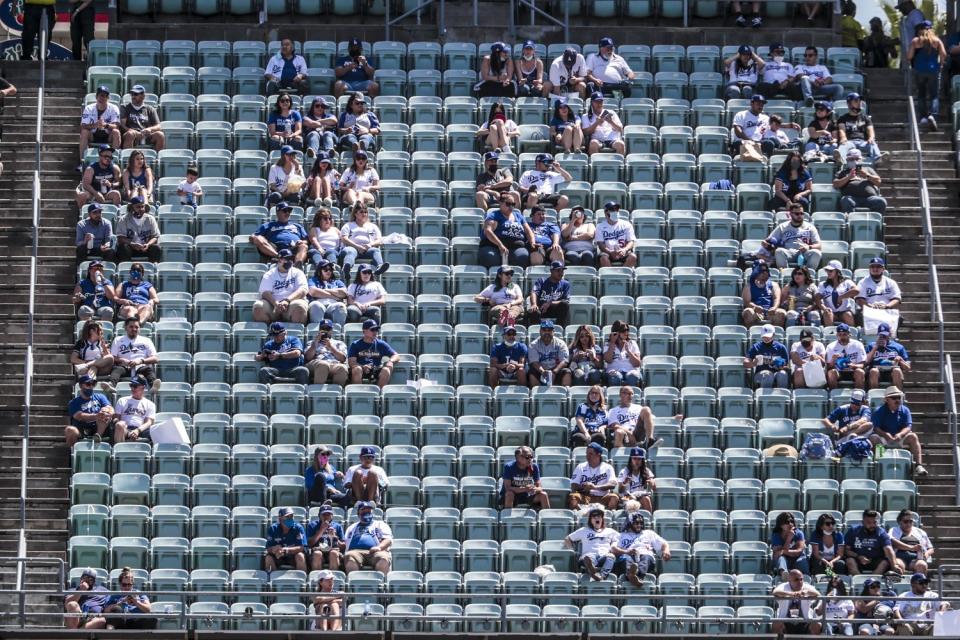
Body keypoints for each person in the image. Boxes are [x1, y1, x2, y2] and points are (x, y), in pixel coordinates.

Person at [871, 386, 927, 476]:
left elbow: (908, 427)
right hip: (884, 439)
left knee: (913, 437)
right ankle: (879, 464)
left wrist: (900, 434)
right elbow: (876, 428)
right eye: (894, 398)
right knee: (874, 439)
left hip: (899, 438)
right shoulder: (879, 411)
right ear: (887, 400)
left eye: (899, 397)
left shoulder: (905, 410)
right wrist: (885, 435)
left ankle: (918, 465)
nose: (897, 400)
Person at [478, 192, 535, 269]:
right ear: (501, 203)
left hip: (515, 246)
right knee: (490, 258)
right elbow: (488, 231)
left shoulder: (518, 216)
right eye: (508, 204)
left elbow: (528, 231)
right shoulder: (494, 215)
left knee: (522, 256)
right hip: (494, 245)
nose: (511, 207)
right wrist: (500, 245)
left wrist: (532, 242)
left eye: (513, 204)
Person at [104, 317, 160, 395]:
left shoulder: (146, 340)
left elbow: (156, 358)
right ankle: (111, 385)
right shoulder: (118, 340)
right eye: (131, 327)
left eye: (136, 327)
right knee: (117, 369)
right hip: (124, 367)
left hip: (140, 367)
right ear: (125, 327)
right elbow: (113, 357)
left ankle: (153, 386)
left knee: (148, 369)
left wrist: (141, 361)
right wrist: (122, 360)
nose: (134, 329)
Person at [253, 248, 309, 324]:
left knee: (299, 306)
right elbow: (265, 292)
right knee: (258, 306)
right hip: (273, 305)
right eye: (287, 259)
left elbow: (303, 290)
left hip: (292, 303)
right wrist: (275, 303)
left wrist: (287, 301)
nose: (290, 261)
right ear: (279, 260)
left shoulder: (298, 272)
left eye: (291, 258)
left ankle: (295, 332)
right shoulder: (270, 274)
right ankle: (270, 331)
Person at [564, 507, 620, 580]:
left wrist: (614, 544)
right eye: (594, 517)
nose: (597, 518)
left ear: (602, 519)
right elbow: (568, 538)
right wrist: (572, 550)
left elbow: (621, 539)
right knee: (587, 558)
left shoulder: (610, 531)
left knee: (611, 556)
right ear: (590, 520)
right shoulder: (584, 530)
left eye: (599, 516)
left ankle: (601, 575)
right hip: (589, 556)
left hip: (603, 557)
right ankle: (592, 569)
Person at [909, 21, 947, 130]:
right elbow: (943, 55)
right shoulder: (937, 41)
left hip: (919, 71)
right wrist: (940, 65)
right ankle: (932, 115)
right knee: (934, 95)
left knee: (921, 95)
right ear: (931, 29)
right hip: (933, 71)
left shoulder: (916, 41)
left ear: (920, 29)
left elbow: (909, 56)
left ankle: (923, 118)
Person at [614, 513, 669, 587]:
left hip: (645, 555)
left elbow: (663, 543)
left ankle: (637, 576)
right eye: (636, 523)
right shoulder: (621, 535)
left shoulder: (648, 533)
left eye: (641, 523)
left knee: (646, 557)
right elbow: (613, 549)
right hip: (628, 555)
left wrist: (666, 551)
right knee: (626, 559)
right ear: (630, 523)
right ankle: (631, 574)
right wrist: (626, 552)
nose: (639, 525)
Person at [606, 385, 668, 450]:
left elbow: (651, 419)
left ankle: (650, 441)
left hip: (638, 433)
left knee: (646, 409)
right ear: (620, 395)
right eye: (626, 393)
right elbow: (615, 426)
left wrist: (673, 418)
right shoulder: (613, 410)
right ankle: (619, 457)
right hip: (624, 435)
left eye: (631, 394)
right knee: (618, 432)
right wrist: (629, 433)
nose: (630, 396)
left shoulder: (638, 408)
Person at [764, 203, 823, 271]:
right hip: (789, 252)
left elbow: (819, 245)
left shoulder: (810, 227)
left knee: (816, 253)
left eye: (802, 213)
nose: (800, 216)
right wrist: (766, 243)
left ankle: (808, 274)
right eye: (797, 214)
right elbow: (769, 240)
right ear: (791, 214)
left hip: (804, 253)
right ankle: (785, 274)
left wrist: (809, 247)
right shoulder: (783, 226)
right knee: (779, 251)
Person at [340, 203, 388, 279]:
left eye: (365, 212)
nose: (364, 214)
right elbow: (344, 239)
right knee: (350, 251)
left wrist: (370, 245)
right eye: (361, 212)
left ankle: (380, 266)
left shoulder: (373, 226)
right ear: (355, 213)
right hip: (352, 247)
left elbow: (379, 240)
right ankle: (346, 267)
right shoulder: (348, 225)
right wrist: (357, 247)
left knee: (375, 250)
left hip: (367, 248)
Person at [342, 501, 393, 574]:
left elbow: (388, 540)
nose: (366, 511)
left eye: (368, 510)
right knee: (349, 556)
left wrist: (379, 547)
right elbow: (345, 543)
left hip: (376, 552)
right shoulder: (351, 527)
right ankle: (354, 583)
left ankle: (380, 583)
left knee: (383, 558)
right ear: (358, 513)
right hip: (356, 552)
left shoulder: (380, 524)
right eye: (363, 510)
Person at [64, 374, 114, 447]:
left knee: (105, 413)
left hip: (100, 427)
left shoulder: (100, 397)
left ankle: (97, 437)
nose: (91, 387)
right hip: (82, 428)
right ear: (81, 386)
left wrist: (107, 411)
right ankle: (73, 453)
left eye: (93, 384)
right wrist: (96, 416)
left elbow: (110, 408)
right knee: (69, 430)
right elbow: (79, 416)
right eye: (88, 384)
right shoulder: (74, 402)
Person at [348, 319, 399, 388]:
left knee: (386, 370)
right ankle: (359, 393)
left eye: (376, 329)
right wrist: (363, 367)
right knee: (357, 369)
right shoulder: (356, 344)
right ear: (364, 331)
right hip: (361, 370)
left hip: (375, 369)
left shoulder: (380, 344)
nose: (375, 332)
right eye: (372, 330)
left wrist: (391, 361)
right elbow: (351, 362)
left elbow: (396, 355)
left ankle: (378, 394)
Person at [567, 442, 619, 510]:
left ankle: (606, 517)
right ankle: (580, 516)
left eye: (591, 454)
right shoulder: (581, 467)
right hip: (586, 497)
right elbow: (573, 485)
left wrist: (595, 487)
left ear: (598, 454)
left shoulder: (608, 467)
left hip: (603, 497)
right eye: (587, 453)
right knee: (573, 497)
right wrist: (583, 487)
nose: (587, 456)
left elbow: (612, 484)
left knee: (614, 497)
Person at [845, 509, 897, 575]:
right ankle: (858, 580)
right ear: (862, 522)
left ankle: (873, 581)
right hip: (858, 559)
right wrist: (858, 556)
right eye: (869, 522)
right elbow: (847, 550)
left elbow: (889, 550)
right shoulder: (853, 531)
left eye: (874, 522)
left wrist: (894, 565)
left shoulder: (881, 533)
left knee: (885, 563)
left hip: (876, 560)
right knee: (850, 561)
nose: (872, 525)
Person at [78, 87, 121, 169]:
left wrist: (105, 125)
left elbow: (116, 125)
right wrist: (95, 125)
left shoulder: (114, 108)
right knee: (84, 132)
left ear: (108, 98)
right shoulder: (89, 108)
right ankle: (82, 163)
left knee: (116, 132)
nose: (102, 98)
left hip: (108, 135)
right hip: (93, 134)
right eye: (100, 95)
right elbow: (83, 125)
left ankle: (114, 163)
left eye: (104, 96)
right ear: (96, 97)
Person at [834, 148, 886, 214]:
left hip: (869, 198)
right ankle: (849, 222)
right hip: (851, 198)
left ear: (861, 159)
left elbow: (878, 182)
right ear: (847, 160)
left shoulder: (868, 169)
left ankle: (875, 223)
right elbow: (835, 184)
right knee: (846, 201)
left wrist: (867, 176)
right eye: (852, 159)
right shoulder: (842, 172)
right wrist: (848, 177)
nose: (855, 161)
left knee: (880, 201)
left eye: (857, 159)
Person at [771, 570, 823, 636]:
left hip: (805, 621)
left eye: (801, 579)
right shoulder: (784, 586)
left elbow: (818, 594)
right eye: (796, 580)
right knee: (776, 624)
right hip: (786, 621)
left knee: (816, 625)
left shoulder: (806, 587)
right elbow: (775, 592)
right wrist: (791, 594)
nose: (800, 582)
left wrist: (807, 592)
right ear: (789, 581)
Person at [837, 93, 885, 164]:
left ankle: (878, 158)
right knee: (843, 145)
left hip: (863, 142)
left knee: (872, 143)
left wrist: (871, 137)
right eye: (856, 101)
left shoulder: (865, 118)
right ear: (849, 103)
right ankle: (840, 159)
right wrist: (843, 137)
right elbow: (841, 130)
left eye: (860, 101)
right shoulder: (842, 118)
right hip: (850, 142)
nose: (859, 103)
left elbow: (870, 130)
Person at [744, 323, 790, 389]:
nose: (766, 338)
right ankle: (766, 398)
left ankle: (782, 396)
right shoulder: (756, 347)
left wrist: (781, 367)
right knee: (767, 374)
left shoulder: (781, 347)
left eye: (768, 336)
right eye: (764, 336)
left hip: (776, 372)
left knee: (782, 374)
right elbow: (745, 363)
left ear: (773, 335)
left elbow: (787, 366)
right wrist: (753, 363)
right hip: (761, 374)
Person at [114, 198, 161, 263]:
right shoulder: (124, 219)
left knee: (156, 248)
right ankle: (125, 268)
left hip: (145, 248)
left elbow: (155, 237)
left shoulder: (150, 219)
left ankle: (153, 268)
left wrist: (148, 244)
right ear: (132, 208)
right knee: (123, 247)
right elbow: (120, 238)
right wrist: (132, 244)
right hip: (130, 248)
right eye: (138, 207)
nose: (141, 209)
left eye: (142, 206)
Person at [866, 322, 911, 390]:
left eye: (885, 335)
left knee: (897, 371)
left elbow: (908, 368)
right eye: (881, 335)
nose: (883, 337)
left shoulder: (898, 347)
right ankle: (874, 395)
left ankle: (897, 396)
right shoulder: (871, 345)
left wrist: (900, 360)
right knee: (873, 371)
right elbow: (866, 362)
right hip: (877, 372)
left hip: (891, 373)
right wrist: (875, 348)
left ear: (889, 334)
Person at [119, 85, 165, 152]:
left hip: (146, 135)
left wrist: (149, 129)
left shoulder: (150, 109)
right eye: (132, 94)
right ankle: (128, 159)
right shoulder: (125, 107)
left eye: (136, 94)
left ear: (143, 96)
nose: (133, 96)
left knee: (160, 135)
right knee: (130, 134)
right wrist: (133, 132)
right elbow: (122, 125)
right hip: (132, 135)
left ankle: (156, 159)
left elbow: (158, 126)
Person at [527, 319, 572, 387]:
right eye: (544, 330)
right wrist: (543, 372)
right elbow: (534, 362)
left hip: (556, 370)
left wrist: (554, 371)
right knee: (532, 372)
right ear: (540, 331)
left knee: (567, 371)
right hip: (541, 371)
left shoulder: (560, 343)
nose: (547, 332)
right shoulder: (533, 345)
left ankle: (565, 392)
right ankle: (537, 394)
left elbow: (564, 361)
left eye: (549, 330)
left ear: (553, 331)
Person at [112, 376, 156, 443]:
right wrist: (118, 422)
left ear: (143, 387)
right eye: (131, 385)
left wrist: (137, 431)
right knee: (119, 425)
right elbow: (116, 418)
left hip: (141, 430)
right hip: (124, 429)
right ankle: (119, 450)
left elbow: (148, 422)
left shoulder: (150, 404)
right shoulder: (122, 400)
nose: (132, 388)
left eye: (135, 386)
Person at [889, 510, 934, 575]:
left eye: (910, 521)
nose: (908, 524)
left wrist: (926, 554)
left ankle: (919, 584)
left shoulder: (920, 532)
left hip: (915, 559)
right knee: (897, 565)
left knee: (922, 565)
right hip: (900, 557)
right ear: (899, 522)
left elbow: (931, 548)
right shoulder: (894, 530)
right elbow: (892, 541)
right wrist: (911, 548)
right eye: (905, 521)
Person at [304, 320, 349, 385]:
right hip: (316, 364)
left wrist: (331, 348)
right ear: (319, 330)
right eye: (323, 328)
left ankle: (335, 393)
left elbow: (342, 359)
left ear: (331, 330)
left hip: (334, 364)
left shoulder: (339, 343)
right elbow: (308, 358)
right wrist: (315, 344)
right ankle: (317, 393)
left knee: (342, 368)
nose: (325, 331)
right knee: (323, 364)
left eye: (328, 329)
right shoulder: (311, 342)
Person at [815, 259, 858, 327]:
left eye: (831, 271)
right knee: (827, 314)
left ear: (838, 271)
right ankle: (829, 334)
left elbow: (856, 290)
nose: (828, 272)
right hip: (831, 311)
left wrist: (841, 297)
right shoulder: (823, 284)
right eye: (827, 270)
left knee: (848, 315)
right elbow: (817, 298)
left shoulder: (847, 282)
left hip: (844, 311)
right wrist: (824, 308)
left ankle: (851, 334)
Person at [76, 144, 121, 208]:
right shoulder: (91, 169)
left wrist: (111, 184)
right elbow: (85, 184)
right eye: (106, 156)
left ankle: (117, 214)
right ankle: (81, 213)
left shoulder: (115, 168)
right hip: (92, 193)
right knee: (82, 195)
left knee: (116, 194)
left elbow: (119, 183)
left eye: (110, 157)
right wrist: (96, 193)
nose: (108, 159)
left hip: (107, 193)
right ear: (100, 156)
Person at [741, 262, 785, 327]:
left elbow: (777, 298)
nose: (764, 273)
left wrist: (774, 308)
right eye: (761, 271)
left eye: (766, 271)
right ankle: (752, 333)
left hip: (770, 311)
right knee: (748, 312)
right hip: (755, 311)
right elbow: (747, 302)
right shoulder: (749, 286)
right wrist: (755, 307)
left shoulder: (774, 285)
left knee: (781, 313)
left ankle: (775, 334)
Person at [265, 507, 308, 573]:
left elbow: (302, 547)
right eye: (287, 517)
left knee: (300, 556)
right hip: (278, 556)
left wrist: (286, 550)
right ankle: (273, 580)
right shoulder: (273, 529)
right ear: (280, 519)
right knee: (268, 558)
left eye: (291, 516)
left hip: (293, 556)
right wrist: (274, 549)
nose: (290, 519)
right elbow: (268, 548)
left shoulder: (298, 528)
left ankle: (301, 579)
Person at [825, 322, 867, 390]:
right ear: (837, 335)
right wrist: (833, 359)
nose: (842, 337)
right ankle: (834, 395)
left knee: (860, 372)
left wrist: (854, 366)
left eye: (844, 334)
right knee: (831, 373)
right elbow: (829, 366)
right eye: (840, 335)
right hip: (839, 372)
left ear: (849, 334)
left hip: (853, 371)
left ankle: (859, 395)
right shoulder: (831, 347)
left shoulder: (858, 345)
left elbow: (862, 364)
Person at [594, 201, 636, 268]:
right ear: (606, 212)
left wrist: (624, 250)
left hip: (623, 251)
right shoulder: (600, 226)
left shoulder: (626, 224)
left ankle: (622, 276)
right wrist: (610, 252)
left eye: (616, 209)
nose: (615, 211)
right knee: (603, 258)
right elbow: (600, 244)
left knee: (633, 257)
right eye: (612, 210)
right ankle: (610, 277)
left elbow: (631, 241)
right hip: (608, 252)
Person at [528, 260, 570, 325]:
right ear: (551, 271)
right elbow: (534, 292)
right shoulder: (541, 281)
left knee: (564, 305)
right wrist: (534, 304)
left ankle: (560, 330)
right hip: (542, 309)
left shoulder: (565, 284)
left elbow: (566, 301)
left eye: (562, 271)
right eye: (558, 270)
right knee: (534, 310)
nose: (561, 273)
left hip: (556, 311)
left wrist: (550, 303)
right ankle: (535, 331)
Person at [770, 512, 810, 580]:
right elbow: (777, 554)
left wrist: (783, 551)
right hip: (784, 559)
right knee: (781, 559)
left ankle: (804, 577)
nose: (790, 524)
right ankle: (784, 575)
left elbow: (799, 551)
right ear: (781, 525)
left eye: (792, 521)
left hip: (797, 558)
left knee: (802, 560)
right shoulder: (776, 535)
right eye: (787, 522)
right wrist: (789, 538)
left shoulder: (799, 533)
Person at [603, 320, 643, 387]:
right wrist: (612, 343)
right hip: (614, 372)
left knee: (632, 378)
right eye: (623, 330)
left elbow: (637, 364)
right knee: (615, 377)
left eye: (627, 330)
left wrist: (628, 351)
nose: (626, 332)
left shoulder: (632, 343)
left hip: (631, 371)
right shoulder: (607, 345)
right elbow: (608, 360)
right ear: (616, 332)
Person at [73, 260, 114, 324]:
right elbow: (75, 299)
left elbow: (111, 297)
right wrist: (78, 297)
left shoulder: (107, 282)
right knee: (83, 309)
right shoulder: (82, 283)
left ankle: (101, 330)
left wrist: (103, 281)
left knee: (108, 311)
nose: (97, 270)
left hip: (103, 306)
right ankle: (88, 330)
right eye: (95, 268)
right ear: (89, 270)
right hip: (88, 306)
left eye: (100, 268)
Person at [307, 262, 348, 326]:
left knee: (340, 306)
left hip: (333, 305)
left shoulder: (337, 282)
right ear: (319, 271)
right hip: (318, 304)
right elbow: (313, 292)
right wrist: (334, 296)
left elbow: (343, 293)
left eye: (330, 269)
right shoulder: (313, 280)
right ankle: (317, 332)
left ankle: (337, 332)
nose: (328, 271)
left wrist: (323, 291)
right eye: (325, 269)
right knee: (315, 305)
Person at [617, 447, 656, 513]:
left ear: (642, 460)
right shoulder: (624, 472)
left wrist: (652, 483)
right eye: (634, 458)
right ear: (631, 459)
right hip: (627, 496)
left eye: (639, 459)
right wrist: (624, 483)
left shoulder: (646, 471)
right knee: (632, 501)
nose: (637, 461)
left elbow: (654, 487)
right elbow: (620, 491)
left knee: (646, 499)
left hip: (641, 495)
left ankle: (648, 520)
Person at [307, 504, 345, 572]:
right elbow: (309, 543)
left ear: (332, 516)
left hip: (333, 550)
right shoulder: (312, 525)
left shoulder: (337, 526)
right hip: (318, 550)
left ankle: (332, 579)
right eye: (324, 514)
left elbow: (343, 546)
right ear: (319, 515)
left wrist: (334, 537)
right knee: (317, 554)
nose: (326, 517)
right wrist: (321, 530)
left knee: (333, 553)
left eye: (328, 514)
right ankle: (317, 579)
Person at [898, 0, 927, 71]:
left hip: (916, 52)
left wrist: (914, 51)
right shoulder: (910, 16)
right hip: (912, 53)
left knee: (916, 75)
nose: (900, 10)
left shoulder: (915, 14)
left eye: (901, 7)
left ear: (907, 4)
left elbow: (920, 30)